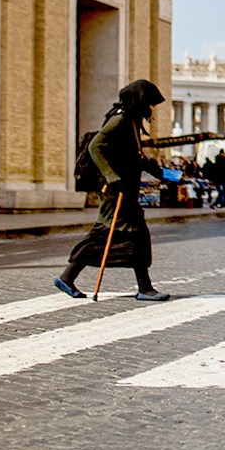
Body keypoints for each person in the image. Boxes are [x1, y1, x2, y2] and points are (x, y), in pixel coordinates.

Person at [53, 80, 171, 301]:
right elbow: (95, 146)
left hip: (124, 189)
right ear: (139, 101)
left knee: (116, 233)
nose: (152, 108)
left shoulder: (133, 122)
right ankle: (144, 288)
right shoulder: (121, 119)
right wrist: (111, 176)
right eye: (151, 103)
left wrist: (167, 175)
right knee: (128, 234)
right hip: (115, 189)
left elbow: (137, 159)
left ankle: (68, 278)